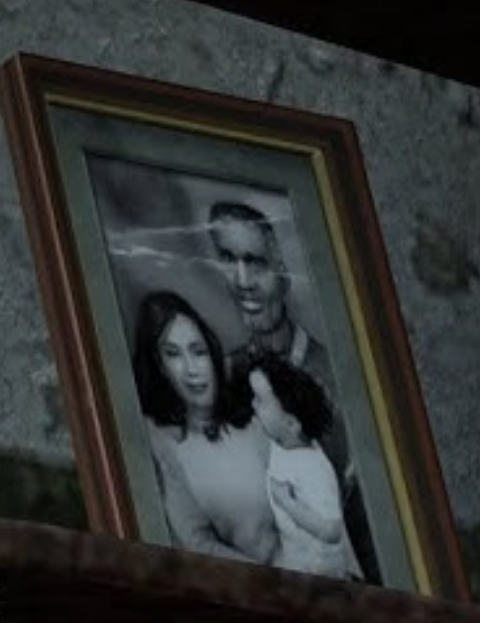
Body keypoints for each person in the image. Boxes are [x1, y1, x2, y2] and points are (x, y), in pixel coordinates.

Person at [209, 201, 381, 584]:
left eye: (257, 262)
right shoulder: (220, 375)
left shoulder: (338, 378)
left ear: (286, 272)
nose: (242, 281)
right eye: (228, 259)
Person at [132, 290, 279, 564]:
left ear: (211, 353)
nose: (192, 369)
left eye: (198, 351)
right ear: (160, 367)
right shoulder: (168, 446)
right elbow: (196, 543)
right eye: (174, 355)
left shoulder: (257, 414)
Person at [232, 354, 363, 579]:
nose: (253, 405)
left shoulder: (315, 469)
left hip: (322, 568)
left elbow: (332, 531)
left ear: (291, 423)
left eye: (260, 400)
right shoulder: (279, 441)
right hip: (294, 556)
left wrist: (288, 503)